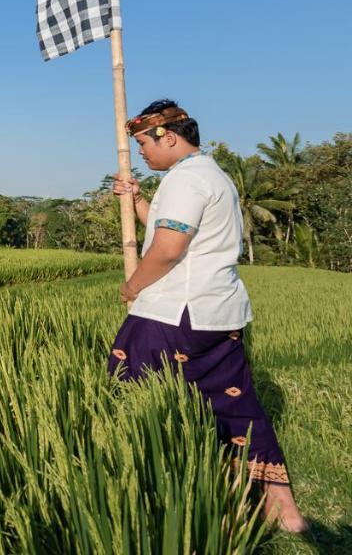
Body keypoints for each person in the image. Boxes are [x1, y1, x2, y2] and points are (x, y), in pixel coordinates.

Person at [110, 99, 305, 533]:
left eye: (143, 142)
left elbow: (169, 248)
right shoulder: (208, 175)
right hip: (218, 310)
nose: (140, 151)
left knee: (129, 390)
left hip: (175, 310)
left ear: (169, 137)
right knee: (237, 407)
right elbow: (173, 230)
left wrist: (133, 286)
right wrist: (140, 200)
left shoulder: (185, 181)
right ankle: (284, 510)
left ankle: (147, 490)